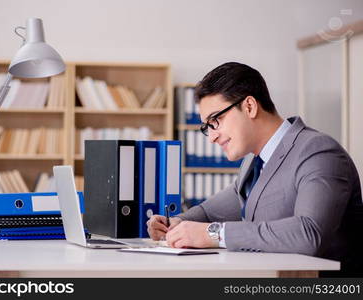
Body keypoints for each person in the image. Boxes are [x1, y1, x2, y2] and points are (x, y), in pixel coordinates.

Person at [147, 62, 363, 276]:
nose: (212, 136)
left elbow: (309, 233)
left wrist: (213, 234)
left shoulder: (317, 151)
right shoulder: (254, 161)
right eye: (207, 127)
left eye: (216, 121)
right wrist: (177, 224)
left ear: (249, 106)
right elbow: (212, 210)